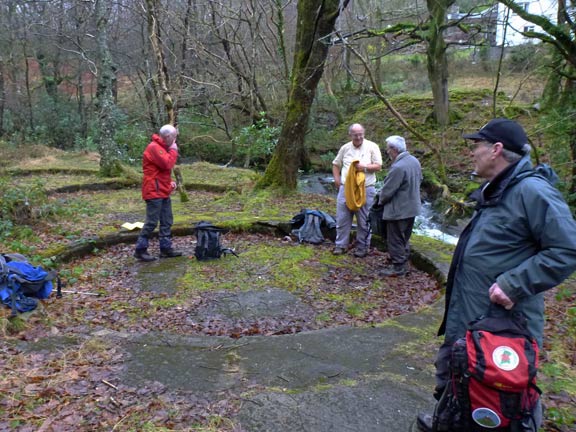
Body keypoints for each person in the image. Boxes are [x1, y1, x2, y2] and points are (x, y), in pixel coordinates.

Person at [417, 118, 576, 431]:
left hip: (503, 328)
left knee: (497, 401)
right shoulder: (496, 190)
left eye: (476, 145)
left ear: (497, 150)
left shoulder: (532, 192)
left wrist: (513, 283)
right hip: (469, 319)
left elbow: (568, 249)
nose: (471, 153)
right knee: (456, 380)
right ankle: (447, 422)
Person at [332, 123, 383, 257]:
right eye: (355, 135)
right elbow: (336, 164)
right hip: (346, 188)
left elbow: (378, 166)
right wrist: (337, 179)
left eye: (361, 134)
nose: (358, 137)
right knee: (342, 218)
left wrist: (364, 167)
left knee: (364, 219)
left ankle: (362, 247)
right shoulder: (345, 148)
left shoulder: (372, 147)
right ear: (350, 135)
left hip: (366, 188)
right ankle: (340, 245)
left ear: (364, 133)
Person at [133, 124, 183, 262]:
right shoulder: (154, 147)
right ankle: (140, 250)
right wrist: (174, 150)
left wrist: (169, 182)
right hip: (153, 191)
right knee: (152, 222)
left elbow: (162, 171)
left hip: (162, 189)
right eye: (173, 138)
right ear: (167, 137)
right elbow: (167, 164)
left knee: (167, 220)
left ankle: (166, 249)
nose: (175, 141)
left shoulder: (161, 147)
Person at [377, 135, 422, 277]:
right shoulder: (414, 161)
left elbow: (387, 191)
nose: (387, 152)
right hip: (412, 207)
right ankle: (403, 263)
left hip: (398, 210)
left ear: (394, 149)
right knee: (404, 237)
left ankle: (399, 268)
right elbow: (419, 180)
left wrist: (379, 202)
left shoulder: (398, 167)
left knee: (395, 238)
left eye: (388, 149)